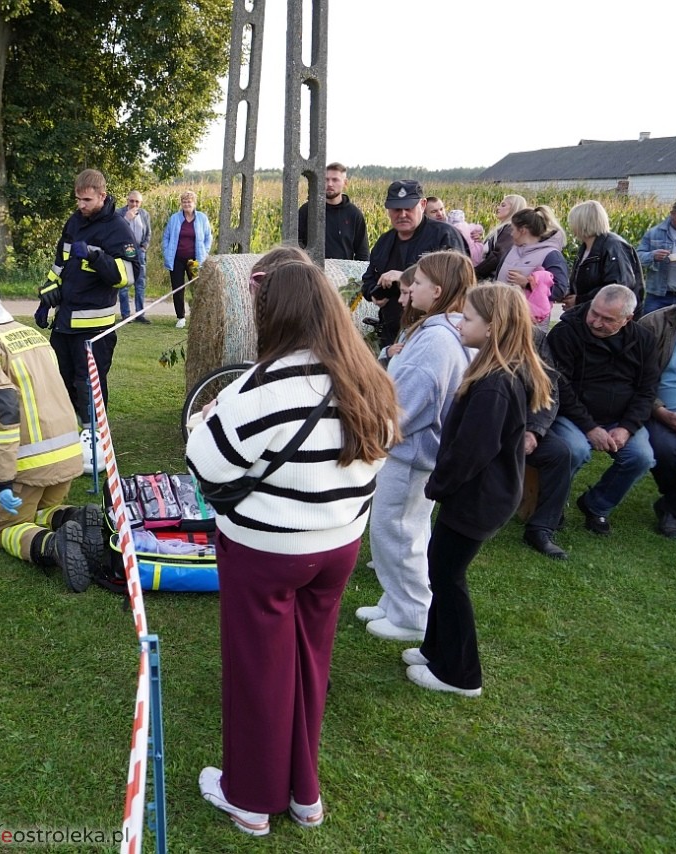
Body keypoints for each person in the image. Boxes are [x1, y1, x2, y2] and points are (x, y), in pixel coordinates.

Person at [186, 260, 398, 836]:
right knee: (310, 663)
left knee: (258, 672)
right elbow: (377, 454)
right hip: (339, 546)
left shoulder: (264, 382)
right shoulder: (367, 375)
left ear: (272, 315)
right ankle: (305, 794)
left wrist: (204, 421)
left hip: (266, 550)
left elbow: (205, 461)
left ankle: (250, 799)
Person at [406, 284, 553, 698]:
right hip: (478, 494)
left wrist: (439, 485)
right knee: (440, 568)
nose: (459, 322)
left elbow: (472, 451)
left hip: (478, 497)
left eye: (468, 317)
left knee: (449, 577)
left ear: (493, 328)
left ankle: (461, 674)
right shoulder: (493, 371)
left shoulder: (494, 385)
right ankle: (435, 648)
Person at [0, 267, 107, 592]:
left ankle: (55, 547)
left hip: (32, 464)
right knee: (45, 509)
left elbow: (2, 413)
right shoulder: (28, 333)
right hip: (67, 456)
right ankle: (76, 516)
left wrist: (4, 479)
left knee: (7, 528)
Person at [362, 250, 474, 643]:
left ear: (439, 291)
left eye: (419, 283)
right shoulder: (434, 331)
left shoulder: (436, 341)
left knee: (398, 531)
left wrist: (377, 432)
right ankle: (395, 601)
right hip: (411, 450)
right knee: (397, 529)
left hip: (410, 453)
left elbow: (407, 401)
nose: (410, 289)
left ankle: (411, 613)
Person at [546, 285, 660, 535]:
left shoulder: (643, 340)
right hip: (573, 415)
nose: (596, 322)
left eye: (607, 319)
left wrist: (627, 428)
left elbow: (647, 390)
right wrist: (590, 427)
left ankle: (597, 505)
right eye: (594, 313)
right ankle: (551, 508)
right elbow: (559, 387)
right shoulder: (566, 333)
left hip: (619, 419)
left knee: (641, 457)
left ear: (627, 319)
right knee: (573, 450)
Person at [37, 169, 139, 427]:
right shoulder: (74, 222)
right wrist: (46, 293)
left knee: (88, 384)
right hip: (64, 322)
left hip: (94, 327)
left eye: (87, 200)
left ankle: (94, 439)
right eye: (78, 199)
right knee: (60, 378)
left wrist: (96, 257)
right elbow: (60, 263)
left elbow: (128, 274)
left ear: (102, 196)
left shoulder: (117, 229)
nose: (81, 205)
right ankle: (73, 432)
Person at [361, 180, 468, 350]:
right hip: (392, 336)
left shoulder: (444, 236)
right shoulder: (384, 242)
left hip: (433, 334)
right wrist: (374, 294)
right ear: (388, 209)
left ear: (423, 204)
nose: (402, 214)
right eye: (396, 209)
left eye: (408, 208)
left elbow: (458, 284)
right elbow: (368, 280)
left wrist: (405, 276)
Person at [520, 327, 572, 560]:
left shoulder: (535, 337)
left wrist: (534, 431)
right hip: (486, 423)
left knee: (559, 453)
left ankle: (541, 529)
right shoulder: (473, 330)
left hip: (520, 423)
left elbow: (548, 390)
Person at [640, 295, 676, 537]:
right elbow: (633, 375)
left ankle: (672, 507)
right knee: (664, 449)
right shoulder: (655, 323)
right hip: (661, 413)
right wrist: (658, 410)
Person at [495, 207, 570, 326]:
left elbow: (559, 290)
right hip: (502, 317)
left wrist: (528, 284)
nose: (511, 233)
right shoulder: (512, 250)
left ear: (523, 230)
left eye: (513, 229)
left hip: (529, 323)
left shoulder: (551, 255)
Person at [566, 200, 644, 310]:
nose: (570, 226)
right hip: (587, 312)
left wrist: (580, 300)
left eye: (572, 222)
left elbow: (618, 288)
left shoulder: (613, 246)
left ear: (582, 223)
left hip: (609, 314)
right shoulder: (585, 247)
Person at [296, 162, 369, 261]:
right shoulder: (307, 211)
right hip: (312, 273)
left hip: (343, 274)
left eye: (335, 180)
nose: (330, 184)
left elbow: (363, 253)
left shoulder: (354, 214)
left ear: (345, 183)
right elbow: (295, 243)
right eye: (326, 180)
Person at [161, 190, 213, 328]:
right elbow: (166, 237)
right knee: (178, 289)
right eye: (184, 201)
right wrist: (166, 252)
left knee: (197, 288)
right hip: (177, 259)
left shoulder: (202, 218)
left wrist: (205, 252)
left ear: (194, 203)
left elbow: (208, 237)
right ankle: (181, 317)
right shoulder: (175, 218)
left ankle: (199, 317)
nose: (186, 204)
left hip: (195, 260)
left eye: (189, 201)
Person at [636, 198, 676, 315]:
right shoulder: (654, 233)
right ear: (672, 215)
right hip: (658, 295)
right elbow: (637, 257)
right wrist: (652, 255)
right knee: (650, 329)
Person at [117, 190, 153, 322]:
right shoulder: (119, 213)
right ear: (127, 201)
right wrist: (127, 218)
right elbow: (117, 230)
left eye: (137, 201)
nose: (134, 204)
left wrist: (144, 247)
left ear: (140, 203)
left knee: (140, 283)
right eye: (131, 201)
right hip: (123, 251)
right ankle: (125, 315)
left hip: (139, 251)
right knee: (124, 284)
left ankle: (140, 314)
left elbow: (148, 232)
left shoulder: (144, 214)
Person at [476, 194, 529, 279]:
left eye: (503, 205)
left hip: (491, 279)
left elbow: (499, 255)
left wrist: (475, 272)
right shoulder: (503, 229)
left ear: (513, 208)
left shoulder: (510, 229)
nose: (498, 208)